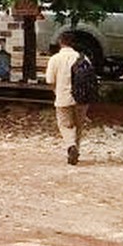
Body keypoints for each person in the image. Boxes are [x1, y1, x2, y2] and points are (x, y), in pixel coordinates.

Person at [43, 31, 87, 165]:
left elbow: (50, 80)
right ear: (74, 43)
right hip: (82, 98)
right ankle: (76, 150)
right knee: (78, 125)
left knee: (65, 125)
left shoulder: (55, 59)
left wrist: (56, 91)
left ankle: (71, 146)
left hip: (62, 97)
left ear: (60, 43)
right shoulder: (83, 58)